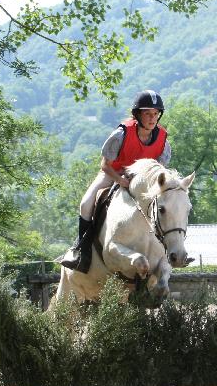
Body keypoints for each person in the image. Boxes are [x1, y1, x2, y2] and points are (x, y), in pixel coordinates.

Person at [60, 89, 171, 273]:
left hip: (142, 181)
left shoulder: (162, 139)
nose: (153, 118)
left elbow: (159, 169)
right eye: (148, 114)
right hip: (114, 173)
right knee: (86, 204)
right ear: (138, 114)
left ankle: (171, 250)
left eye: (155, 114)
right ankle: (81, 251)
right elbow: (104, 164)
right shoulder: (122, 133)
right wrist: (119, 180)